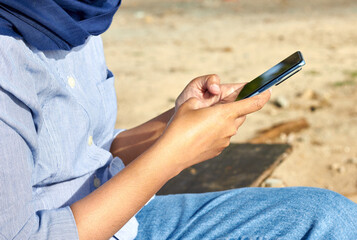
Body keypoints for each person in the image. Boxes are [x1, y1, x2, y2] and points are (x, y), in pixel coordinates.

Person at [0, 1, 356, 240]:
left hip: (126, 225)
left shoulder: (74, 16)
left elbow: (87, 152)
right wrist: (171, 156)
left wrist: (175, 123)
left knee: (328, 218)